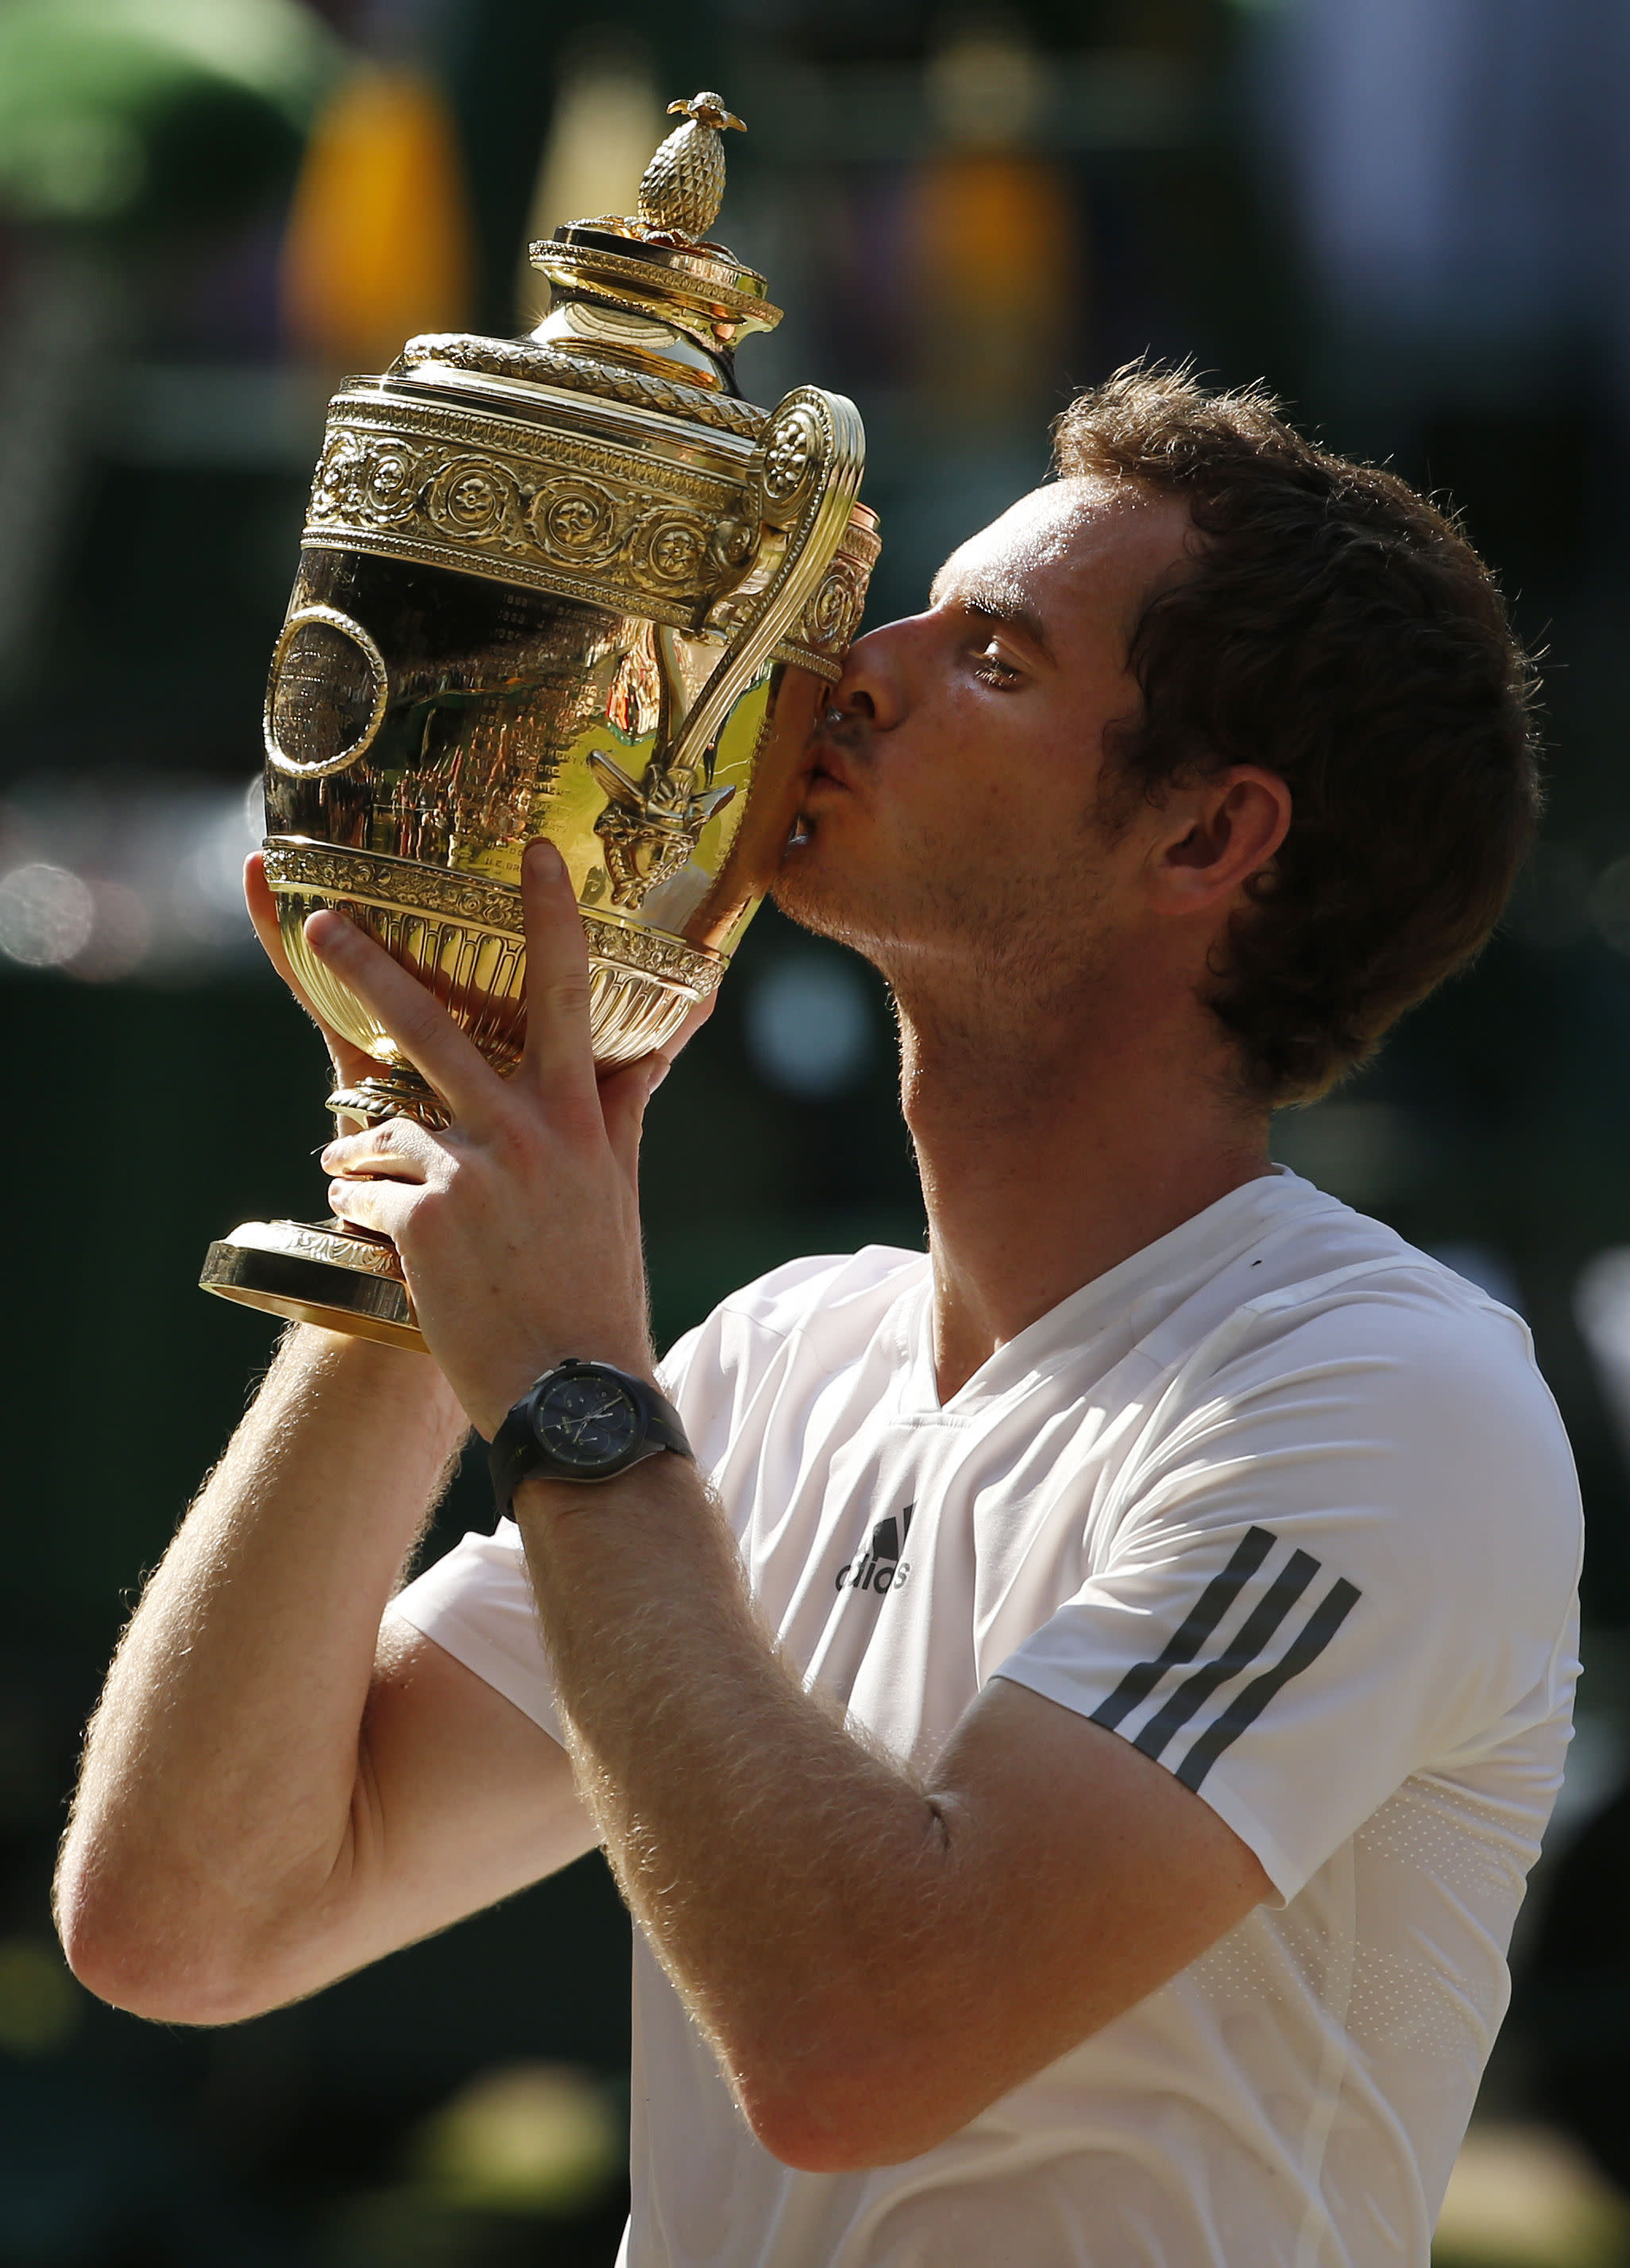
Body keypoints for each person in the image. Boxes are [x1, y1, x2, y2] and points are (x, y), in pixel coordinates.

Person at [56, 364, 1581, 2268]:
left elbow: (862, 2045)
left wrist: (562, 1381)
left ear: (1206, 844)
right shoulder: (787, 1355)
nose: (857, 667)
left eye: (998, 658)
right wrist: (431, 1208)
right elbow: (187, 1921)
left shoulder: (1383, 1398)